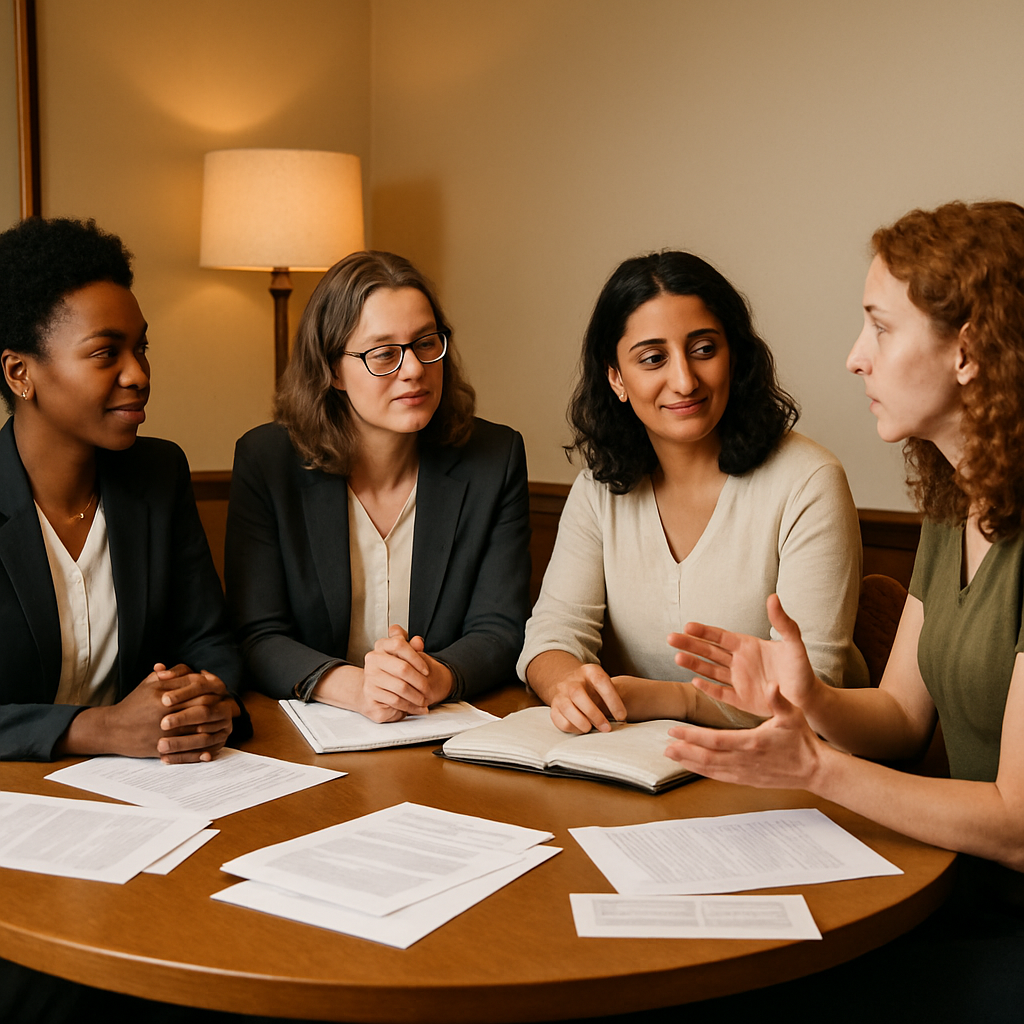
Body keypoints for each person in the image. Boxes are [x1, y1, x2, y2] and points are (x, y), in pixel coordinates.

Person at [665, 201, 1024, 1020]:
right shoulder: (955, 500)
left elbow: (1015, 823)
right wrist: (807, 704)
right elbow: (900, 717)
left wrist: (817, 767)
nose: (855, 359)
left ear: (968, 348)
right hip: (957, 891)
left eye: (880, 328)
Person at [519, 251, 867, 734]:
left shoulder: (809, 482)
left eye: (704, 349)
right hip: (639, 765)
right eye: (653, 358)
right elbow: (551, 635)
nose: (684, 380)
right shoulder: (597, 492)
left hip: (790, 772)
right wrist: (566, 685)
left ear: (735, 355)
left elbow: (814, 687)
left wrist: (672, 699)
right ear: (615, 377)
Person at [225, 250, 530, 719]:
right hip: (312, 729)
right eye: (384, 353)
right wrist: (356, 688)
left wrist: (432, 677)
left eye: (427, 343)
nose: (414, 369)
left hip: (442, 724)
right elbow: (257, 633)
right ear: (331, 370)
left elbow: (500, 628)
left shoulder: (494, 457)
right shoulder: (267, 461)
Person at [0, 217, 244, 764]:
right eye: (106, 353)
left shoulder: (158, 473)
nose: (138, 373)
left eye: (142, 348)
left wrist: (199, 702)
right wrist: (98, 729)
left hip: (153, 786)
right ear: (20, 373)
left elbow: (209, 642)